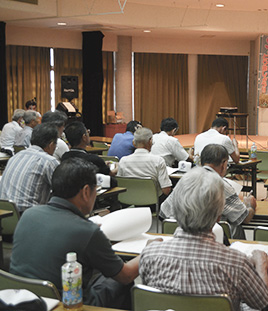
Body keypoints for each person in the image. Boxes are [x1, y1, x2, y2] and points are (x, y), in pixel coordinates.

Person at [10, 158, 140, 309]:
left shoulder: (28, 214)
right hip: (67, 304)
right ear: (86, 192)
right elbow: (126, 275)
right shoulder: (87, 232)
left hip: (22, 298)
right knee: (120, 282)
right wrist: (149, 250)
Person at [140, 166, 268, 311]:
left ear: (175, 209)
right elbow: (262, 302)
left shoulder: (149, 254)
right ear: (218, 216)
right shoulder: (236, 263)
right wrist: (261, 266)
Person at [161, 144, 255, 239]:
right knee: (235, 225)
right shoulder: (221, 185)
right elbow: (244, 218)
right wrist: (250, 206)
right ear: (223, 164)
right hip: (210, 238)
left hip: (177, 236)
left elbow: (164, 211)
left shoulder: (185, 179)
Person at [0, 123, 59, 213]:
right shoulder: (48, 161)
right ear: (51, 145)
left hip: (6, 215)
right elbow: (65, 190)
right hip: (30, 216)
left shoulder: (15, 156)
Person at [118, 127, 172, 199]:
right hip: (153, 203)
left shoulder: (123, 161)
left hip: (129, 201)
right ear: (150, 142)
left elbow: (119, 185)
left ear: (134, 143)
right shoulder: (158, 161)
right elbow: (166, 190)